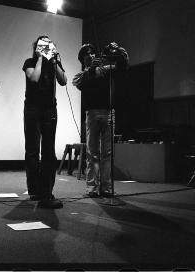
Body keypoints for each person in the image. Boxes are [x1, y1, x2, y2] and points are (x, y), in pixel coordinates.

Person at [73, 42, 128, 198]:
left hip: (108, 112)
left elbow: (123, 65)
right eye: (87, 54)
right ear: (82, 59)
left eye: (92, 53)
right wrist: (91, 69)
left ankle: (106, 187)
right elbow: (80, 83)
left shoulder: (104, 69)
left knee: (107, 153)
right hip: (91, 114)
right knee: (92, 153)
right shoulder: (81, 75)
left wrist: (117, 49)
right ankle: (92, 188)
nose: (90, 55)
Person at [22, 35, 67, 208]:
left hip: (50, 109)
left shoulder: (54, 62)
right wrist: (40, 58)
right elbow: (34, 78)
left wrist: (54, 62)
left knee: (49, 150)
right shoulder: (29, 62)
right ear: (36, 47)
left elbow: (63, 81)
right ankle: (34, 190)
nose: (46, 47)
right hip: (32, 108)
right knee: (32, 149)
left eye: (49, 45)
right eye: (43, 45)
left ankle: (47, 189)